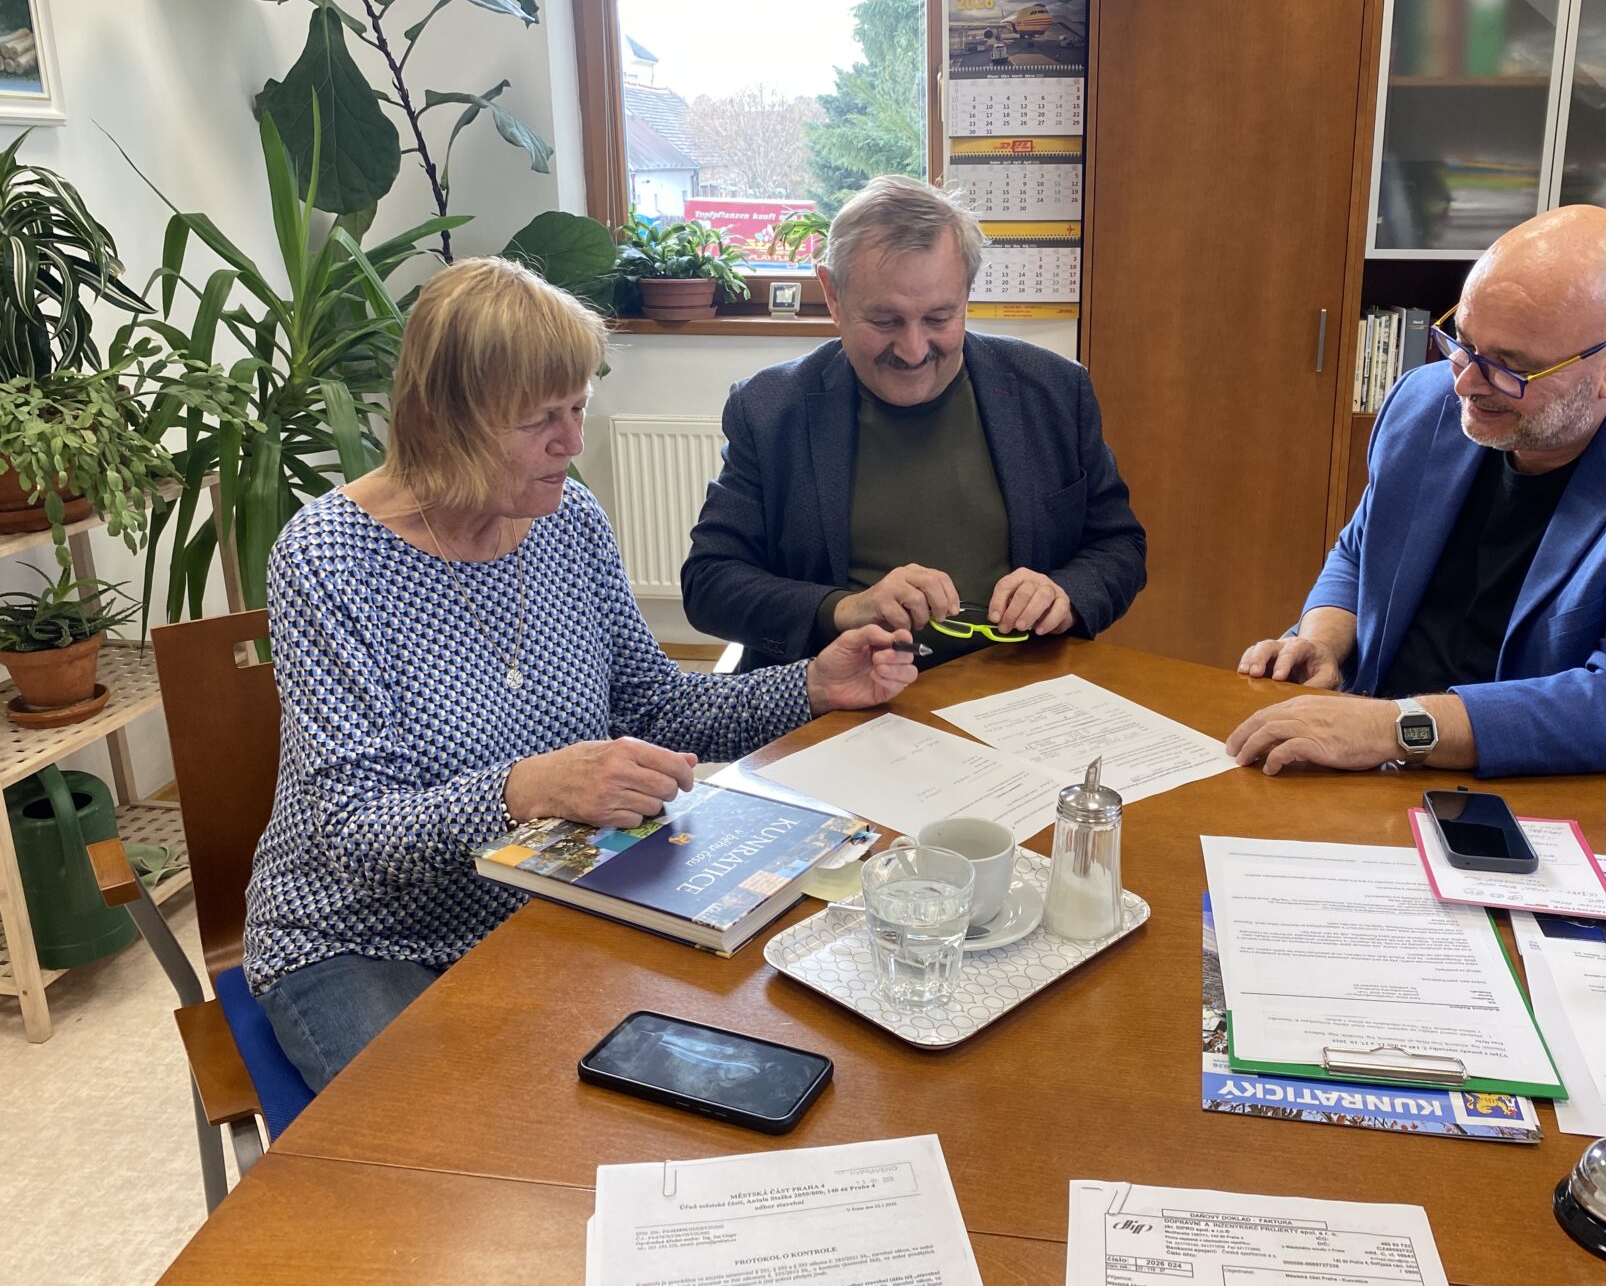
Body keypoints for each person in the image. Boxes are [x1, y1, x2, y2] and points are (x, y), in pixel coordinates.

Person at [244, 257, 917, 1092]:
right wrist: (526, 788)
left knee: (691, 1077)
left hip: (550, 895)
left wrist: (813, 684)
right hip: (364, 938)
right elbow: (355, 834)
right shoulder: (328, 560)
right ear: (438, 420)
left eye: (578, 408)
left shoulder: (568, 520)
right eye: (539, 421)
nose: (571, 443)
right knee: (442, 1139)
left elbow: (656, 705)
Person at [1228, 205, 1606, 778]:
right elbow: (1361, 553)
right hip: (1384, 759)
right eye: (1463, 342)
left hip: (1568, 782)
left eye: (1510, 366)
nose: (1465, 383)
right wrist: (1323, 642)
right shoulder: (1423, 403)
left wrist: (1395, 727)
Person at [681, 174, 1147, 671]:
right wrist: (842, 609)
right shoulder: (769, 408)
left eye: (939, 318)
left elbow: (1119, 545)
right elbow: (710, 582)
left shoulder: (1053, 390)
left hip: (1014, 691)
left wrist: (1065, 594)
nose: (913, 349)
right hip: (843, 698)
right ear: (833, 296)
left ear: (966, 293)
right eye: (885, 321)